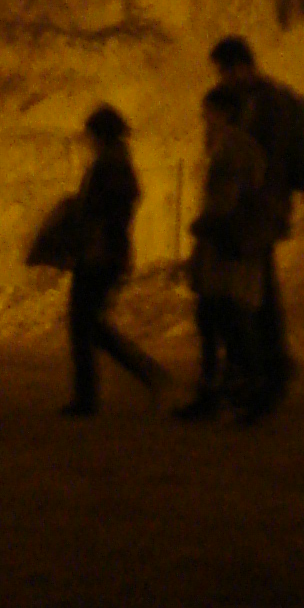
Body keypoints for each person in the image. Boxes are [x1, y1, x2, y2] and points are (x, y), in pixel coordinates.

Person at [207, 35, 304, 411]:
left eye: (224, 71)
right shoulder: (255, 100)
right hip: (258, 207)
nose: (222, 78)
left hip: (260, 208)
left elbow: (265, 160)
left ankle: (266, 372)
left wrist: (250, 198)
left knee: (255, 291)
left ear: (240, 66)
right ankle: (266, 367)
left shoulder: (267, 103)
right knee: (258, 287)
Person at [176, 85, 273, 423]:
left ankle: (238, 393)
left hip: (226, 248)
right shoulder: (245, 148)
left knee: (224, 321)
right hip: (232, 247)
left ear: (222, 112)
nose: (204, 119)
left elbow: (225, 201)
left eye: (208, 112)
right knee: (223, 319)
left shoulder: (231, 149)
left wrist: (203, 225)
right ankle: (227, 393)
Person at [62, 105, 166, 416]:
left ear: (99, 135)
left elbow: (104, 212)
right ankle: (141, 374)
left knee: (84, 323)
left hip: (100, 253)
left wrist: (85, 229)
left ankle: (91, 396)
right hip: (107, 252)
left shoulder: (109, 166)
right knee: (90, 324)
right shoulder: (118, 163)